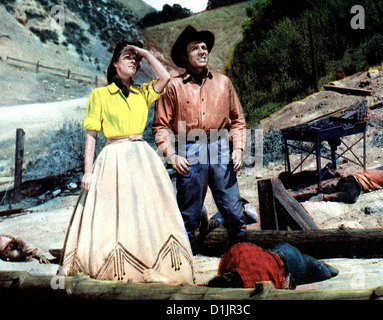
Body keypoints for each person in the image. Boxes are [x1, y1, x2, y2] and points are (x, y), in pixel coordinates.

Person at [60, 40, 194, 284]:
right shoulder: (99, 95)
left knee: (146, 212)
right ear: (114, 63)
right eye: (127, 57)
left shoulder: (141, 93)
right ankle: (116, 270)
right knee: (114, 215)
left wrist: (144, 53)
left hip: (142, 158)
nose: (134, 61)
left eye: (136, 59)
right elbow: (91, 136)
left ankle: (153, 267)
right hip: (113, 158)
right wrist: (87, 172)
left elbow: (165, 77)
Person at [153, 25, 247, 249]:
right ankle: (186, 268)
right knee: (188, 215)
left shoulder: (223, 83)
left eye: (204, 48)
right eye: (195, 48)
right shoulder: (173, 87)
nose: (202, 52)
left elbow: (238, 120)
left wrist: (239, 149)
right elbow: (161, 126)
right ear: (185, 57)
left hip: (220, 147)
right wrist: (172, 156)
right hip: (189, 150)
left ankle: (242, 258)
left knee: (234, 211)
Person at [207, 242, 338, 289]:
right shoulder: (235, 257)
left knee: (327, 273)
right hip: (278, 251)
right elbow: (241, 247)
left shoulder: (253, 285)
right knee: (310, 263)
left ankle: (323, 266)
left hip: (291, 263)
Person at [292, 169, 383, 204]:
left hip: (348, 180)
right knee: (352, 196)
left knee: (330, 189)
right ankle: (325, 197)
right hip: (354, 183)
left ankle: (298, 198)